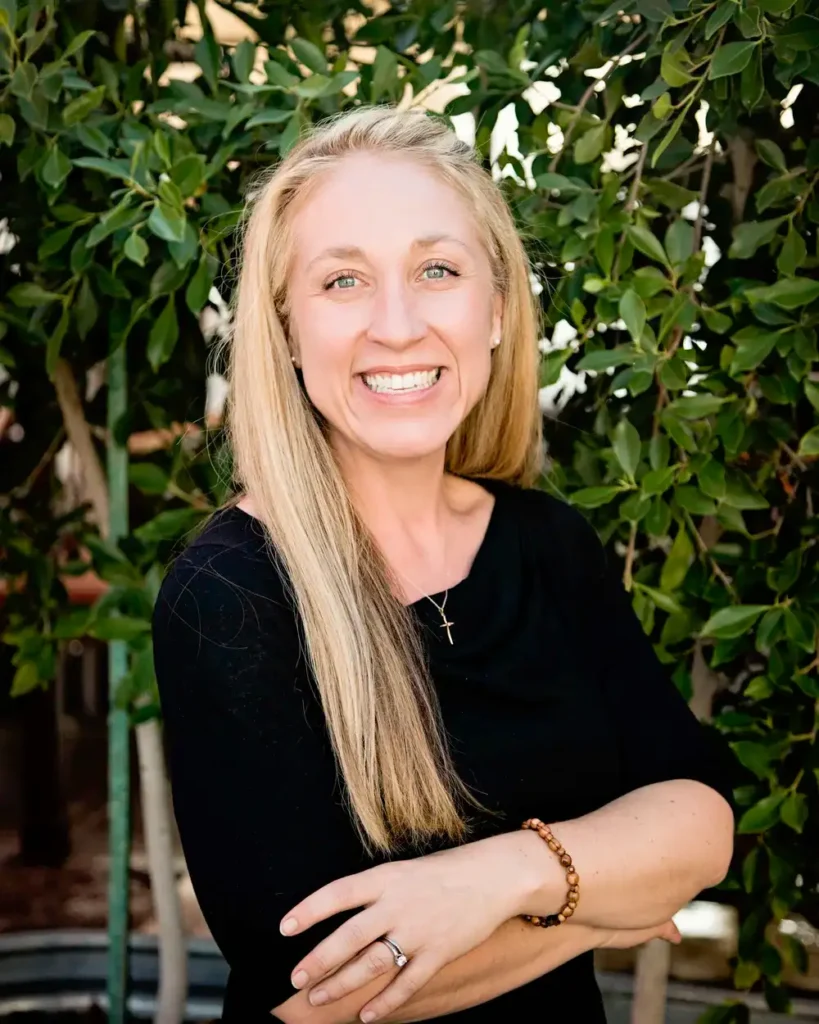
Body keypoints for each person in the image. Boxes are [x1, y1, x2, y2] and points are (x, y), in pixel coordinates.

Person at [151, 106, 736, 1024]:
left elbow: (700, 822)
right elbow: (318, 994)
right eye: (343, 280)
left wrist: (497, 877)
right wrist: (605, 901)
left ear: (496, 309)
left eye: (436, 270)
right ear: (289, 333)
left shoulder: (546, 543)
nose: (396, 325)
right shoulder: (229, 593)